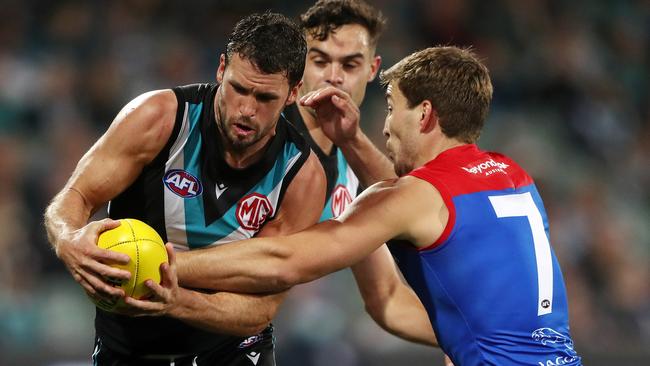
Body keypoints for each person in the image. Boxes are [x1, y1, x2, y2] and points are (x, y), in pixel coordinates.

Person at [146, 46, 582, 365]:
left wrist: (164, 265)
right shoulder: (512, 176)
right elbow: (413, 203)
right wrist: (351, 140)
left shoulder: (418, 197)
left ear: (425, 115)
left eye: (393, 108)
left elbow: (286, 260)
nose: (386, 126)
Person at [44, 12, 328, 366]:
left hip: (232, 349)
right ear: (221, 69)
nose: (246, 110)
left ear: (294, 93)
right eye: (239, 88)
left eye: (265, 98)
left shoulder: (301, 176)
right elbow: (75, 196)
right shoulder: (157, 118)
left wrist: (175, 300)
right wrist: (68, 238)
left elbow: (260, 309)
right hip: (129, 345)